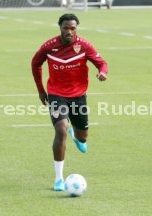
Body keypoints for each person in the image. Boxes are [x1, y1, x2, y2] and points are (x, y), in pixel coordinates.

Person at [31, 14, 108, 191]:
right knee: (60, 129)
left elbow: (101, 63)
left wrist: (103, 73)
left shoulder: (84, 46)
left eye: (73, 28)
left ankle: (75, 135)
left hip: (78, 96)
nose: (69, 31)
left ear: (76, 29)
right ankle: (59, 179)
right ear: (60, 27)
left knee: (83, 137)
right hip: (57, 94)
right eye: (66, 28)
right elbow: (35, 63)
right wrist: (41, 90)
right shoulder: (49, 47)